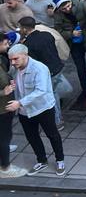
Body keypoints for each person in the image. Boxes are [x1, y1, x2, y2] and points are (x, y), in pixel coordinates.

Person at [7, 43, 65, 175]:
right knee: (32, 136)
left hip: (42, 108)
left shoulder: (39, 68)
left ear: (25, 55)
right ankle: (42, 160)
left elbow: (40, 91)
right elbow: (12, 78)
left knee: (52, 135)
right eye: (11, 59)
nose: (13, 62)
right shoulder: (14, 68)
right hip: (24, 110)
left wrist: (19, 103)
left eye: (16, 59)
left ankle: (60, 160)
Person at [0, 32, 26, 178]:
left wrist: (9, 80)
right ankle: (5, 167)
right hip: (2, 108)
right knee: (4, 136)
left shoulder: (2, 59)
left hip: (5, 106)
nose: (8, 45)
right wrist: (4, 92)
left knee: (4, 136)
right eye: (5, 43)